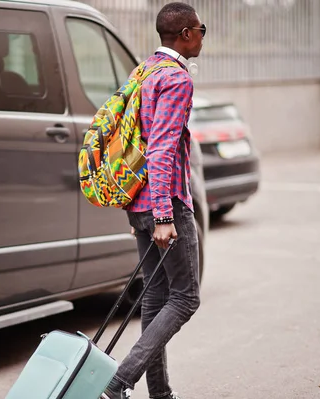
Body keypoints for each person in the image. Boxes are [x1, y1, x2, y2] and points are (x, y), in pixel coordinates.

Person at [101, 3, 205, 399]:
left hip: (141, 198)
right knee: (185, 298)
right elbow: (160, 150)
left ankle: (160, 395)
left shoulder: (144, 70)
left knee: (156, 297)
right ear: (185, 35)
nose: (201, 37)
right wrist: (162, 214)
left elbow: (133, 141)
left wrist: (140, 208)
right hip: (166, 203)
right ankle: (117, 381)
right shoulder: (176, 80)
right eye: (200, 29)